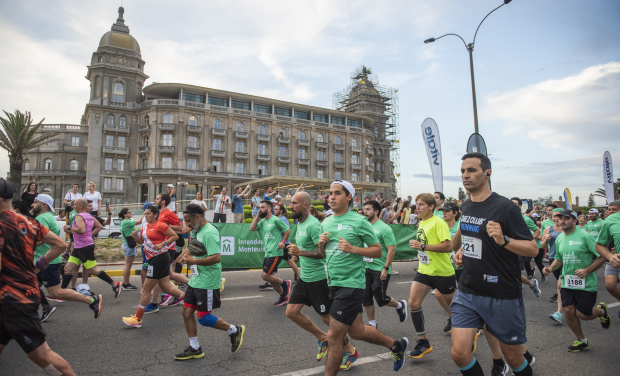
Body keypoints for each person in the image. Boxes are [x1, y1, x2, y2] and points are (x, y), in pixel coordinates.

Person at [450, 153, 538, 376]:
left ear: (487, 173)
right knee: (459, 353)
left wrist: (504, 240)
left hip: (501, 293)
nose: (465, 175)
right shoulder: (467, 206)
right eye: (463, 171)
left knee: (514, 358)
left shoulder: (505, 207)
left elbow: (532, 248)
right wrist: (461, 251)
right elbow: (472, 237)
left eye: (472, 170)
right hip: (469, 290)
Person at [318, 181, 409, 374]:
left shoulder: (359, 221)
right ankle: (396, 346)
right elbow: (323, 254)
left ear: (349, 197)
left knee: (334, 336)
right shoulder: (326, 221)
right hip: (333, 283)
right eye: (330, 193)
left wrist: (353, 249)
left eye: (337, 193)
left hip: (351, 285)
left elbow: (377, 250)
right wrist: (320, 244)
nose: (331, 197)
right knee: (357, 332)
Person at [0, 178, 76, 376]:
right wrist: (37, 266)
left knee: (42, 356)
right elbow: (60, 244)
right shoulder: (29, 222)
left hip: (15, 301)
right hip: (17, 296)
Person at [286, 192, 358, 370]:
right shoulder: (300, 224)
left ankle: (350, 351)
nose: (290, 206)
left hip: (318, 279)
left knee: (328, 318)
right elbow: (305, 248)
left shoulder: (313, 225)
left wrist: (300, 253)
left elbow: (322, 253)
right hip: (305, 278)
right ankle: (323, 338)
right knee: (291, 312)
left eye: (294, 203)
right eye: (290, 203)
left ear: (304, 205)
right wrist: (298, 256)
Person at [174, 204, 245, 360]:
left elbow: (216, 258)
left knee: (204, 318)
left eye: (188, 221)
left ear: (197, 217)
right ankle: (195, 348)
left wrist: (194, 261)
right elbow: (193, 247)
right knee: (186, 312)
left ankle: (234, 330)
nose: (187, 225)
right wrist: (183, 256)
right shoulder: (196, 230)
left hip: (208, 280)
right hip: (196, 279)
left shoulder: (210, 232)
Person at [542, 210, 611, 352]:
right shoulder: (560, 238)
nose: (562, 221)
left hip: (586, 283)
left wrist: (587, 270)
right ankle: (581, 340)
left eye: (567, 218)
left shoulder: (586, 236)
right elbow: (560, 258)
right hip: (568, 281)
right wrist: (550, 268)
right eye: (560, 218)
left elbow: (602, 257)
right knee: (568, 310)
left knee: (583, 314)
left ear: (575, 221)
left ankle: (600, 312)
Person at [31, 194, 103, 322]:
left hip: (47, 260)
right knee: (30, 287)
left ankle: (92, 300)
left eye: (35, 202)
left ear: (43, 205)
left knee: (56, 293)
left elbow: (44, 239)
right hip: (45, 259)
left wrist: (26, 246)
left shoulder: (42, 218)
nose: (32, 204)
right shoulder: (49, 217)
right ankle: (35, 312)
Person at [406, 193, 454, 358]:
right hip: (424, 271)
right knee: (413, 302)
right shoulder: (422, 222)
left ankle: (469, 328)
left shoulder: (438, 222)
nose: (417, 207)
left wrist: (423, 246)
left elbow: (448, 246)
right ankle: (423, 342)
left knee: (456, 309)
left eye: (421, 205)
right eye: (416, 204)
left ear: (431, 207)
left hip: (442, 272)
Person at [122, 204, 185, 328]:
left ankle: (138, 319)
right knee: (167, 288)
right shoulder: (144, 225)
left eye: (148, 214)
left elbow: (175, 236)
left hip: (160, 258)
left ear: (155, 215)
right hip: (152, 258)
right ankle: (191, 301)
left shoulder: (161, 225)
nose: (146, 216)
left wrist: (163, 243)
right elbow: (142, 241)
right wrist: (135, 237)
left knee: (146, 289)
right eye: (145, 214)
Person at [362, 200, 408, 329]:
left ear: (376, 211)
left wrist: (386, 268)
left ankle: (399, 305)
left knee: (381, 298)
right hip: (365, 267)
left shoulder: (384, 228)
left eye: (368, 209)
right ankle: (372, 325)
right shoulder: (363, 226)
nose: (365, 212)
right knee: (365, 297)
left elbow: (391, 249)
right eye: (364, 209)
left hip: (380, 268)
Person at [61, 198, 121, 298]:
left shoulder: (79, 216)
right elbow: (99, 226)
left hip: (84, 247)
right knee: (67, 268)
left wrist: (69, 228)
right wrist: (90, 235)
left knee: (93, 270)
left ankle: (115, 285)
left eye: (75, 205)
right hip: (79, 246)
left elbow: (81, 230)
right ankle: (61, 293)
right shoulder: (89, 216)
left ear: (80, 206)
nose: (73, 206)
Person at [145, 193, 189, 310]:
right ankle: (191, 288)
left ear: (163, 201)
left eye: (157, 198)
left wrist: (167, 225)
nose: (155, 200)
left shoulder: (169, 213)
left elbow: (181, 229)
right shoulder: (157, 214)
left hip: (167, 248)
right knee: (169, 275)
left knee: (158, 276)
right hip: (157, 250)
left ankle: (154, 303)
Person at [250, 200, 291, 305]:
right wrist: (258, 215)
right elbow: (252, 228)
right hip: (268, 253)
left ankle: (285, 283)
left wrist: (283, 242)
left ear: (269, 209)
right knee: (272, 280)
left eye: (262, 207)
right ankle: (284, 297)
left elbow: (287, 230)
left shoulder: (276, 220)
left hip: (276, 253)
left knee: (265, 276)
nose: (260, 209)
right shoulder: (263, 222)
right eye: (260, 208)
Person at [435, 202, 462, 330]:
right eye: (443, 211)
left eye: (447, 211)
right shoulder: (442, 226)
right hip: (446, 267)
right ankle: (453, 317)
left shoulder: (460, 226)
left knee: (465, 297)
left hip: (462, 267)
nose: (444, 213)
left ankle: (474, 323)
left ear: (455, 213)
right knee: (438, 294)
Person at [510, 198, 542, 298]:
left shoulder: (526, 219)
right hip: (509, 246)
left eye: (515, 204)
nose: (512, 205)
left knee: (515, 271)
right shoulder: (506, 217)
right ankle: (532, 284)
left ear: (520, 206)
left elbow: (538, 231)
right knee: (510, 270)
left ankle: (516, 288)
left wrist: (529, 240)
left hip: (521, 248)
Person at [544, 208, 566, 323]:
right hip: (554, 258)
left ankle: (559, 313)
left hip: (567, 259)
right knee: (561, 284)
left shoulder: (567, 229)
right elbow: (543, 245)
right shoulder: (549, 228)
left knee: (560, 286)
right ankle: (568, 305)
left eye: (559, 216)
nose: (556, 218)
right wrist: (546, 239)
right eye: (554, 216)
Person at [596, 203, 620, 307]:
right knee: (610, 285)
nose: (610, 211)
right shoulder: (611, 220)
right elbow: (600, 244)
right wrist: (610, 256)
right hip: (615, 261)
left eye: (613, 209)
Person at [118, 208, 144, 291]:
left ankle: (126, 283)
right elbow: (140, 221)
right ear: (125, 214)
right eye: (129, 212)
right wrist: (146, 213)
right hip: (129, 245)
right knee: (128, 265)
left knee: (126, 265)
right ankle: (126, 284)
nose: (131, 213)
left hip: (126, 244)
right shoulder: (127, 222)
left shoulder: (123, 222)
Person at [274, 204, 300, 282]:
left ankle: (299, 278)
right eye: (274, 209)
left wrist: (276, 229)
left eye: (276, 209)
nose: (274, 210)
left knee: (290, 262)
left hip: (284, 244)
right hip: (277, 244)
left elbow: (286, 230)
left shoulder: (283, 219)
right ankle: (270, 280)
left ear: (281, 211)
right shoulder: (275, 219)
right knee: (273, 262)